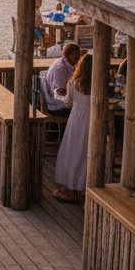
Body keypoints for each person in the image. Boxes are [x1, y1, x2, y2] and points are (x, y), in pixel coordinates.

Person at [53, 53, 93, 201]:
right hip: (91, 120)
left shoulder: (74, 84)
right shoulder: (98, 85)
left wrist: (59, 95)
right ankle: (84, 187)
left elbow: (68, 102)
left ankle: (72, 186)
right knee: (86, 153)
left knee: (73, 152)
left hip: (76, 120)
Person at [42, 43, 80, 117]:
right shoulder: (59, 68)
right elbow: (59, 93)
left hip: (64, 102)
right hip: (57, 105)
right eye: (73, 54)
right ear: (67, 55)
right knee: (83, 111)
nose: (77, 57)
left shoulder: (69, 64)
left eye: (78, 54)